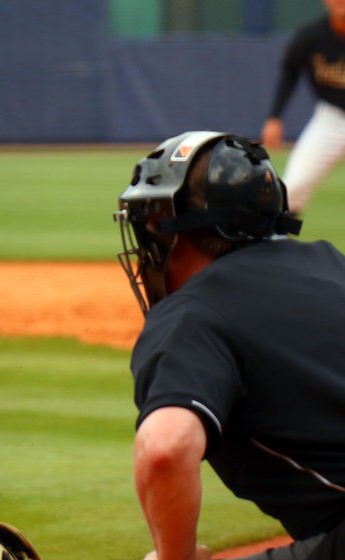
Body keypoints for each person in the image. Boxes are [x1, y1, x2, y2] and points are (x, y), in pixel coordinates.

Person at [113, 130, 345, 560]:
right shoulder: (332, 264)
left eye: (150, 224)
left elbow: (166, 449)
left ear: (175, 233)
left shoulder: (192, 314)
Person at [261, 0, 345, 214]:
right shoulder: (311, 35)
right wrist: (275, 117)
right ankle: (279, 248)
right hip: (332, 118)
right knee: (293, 188)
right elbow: (290, 72)